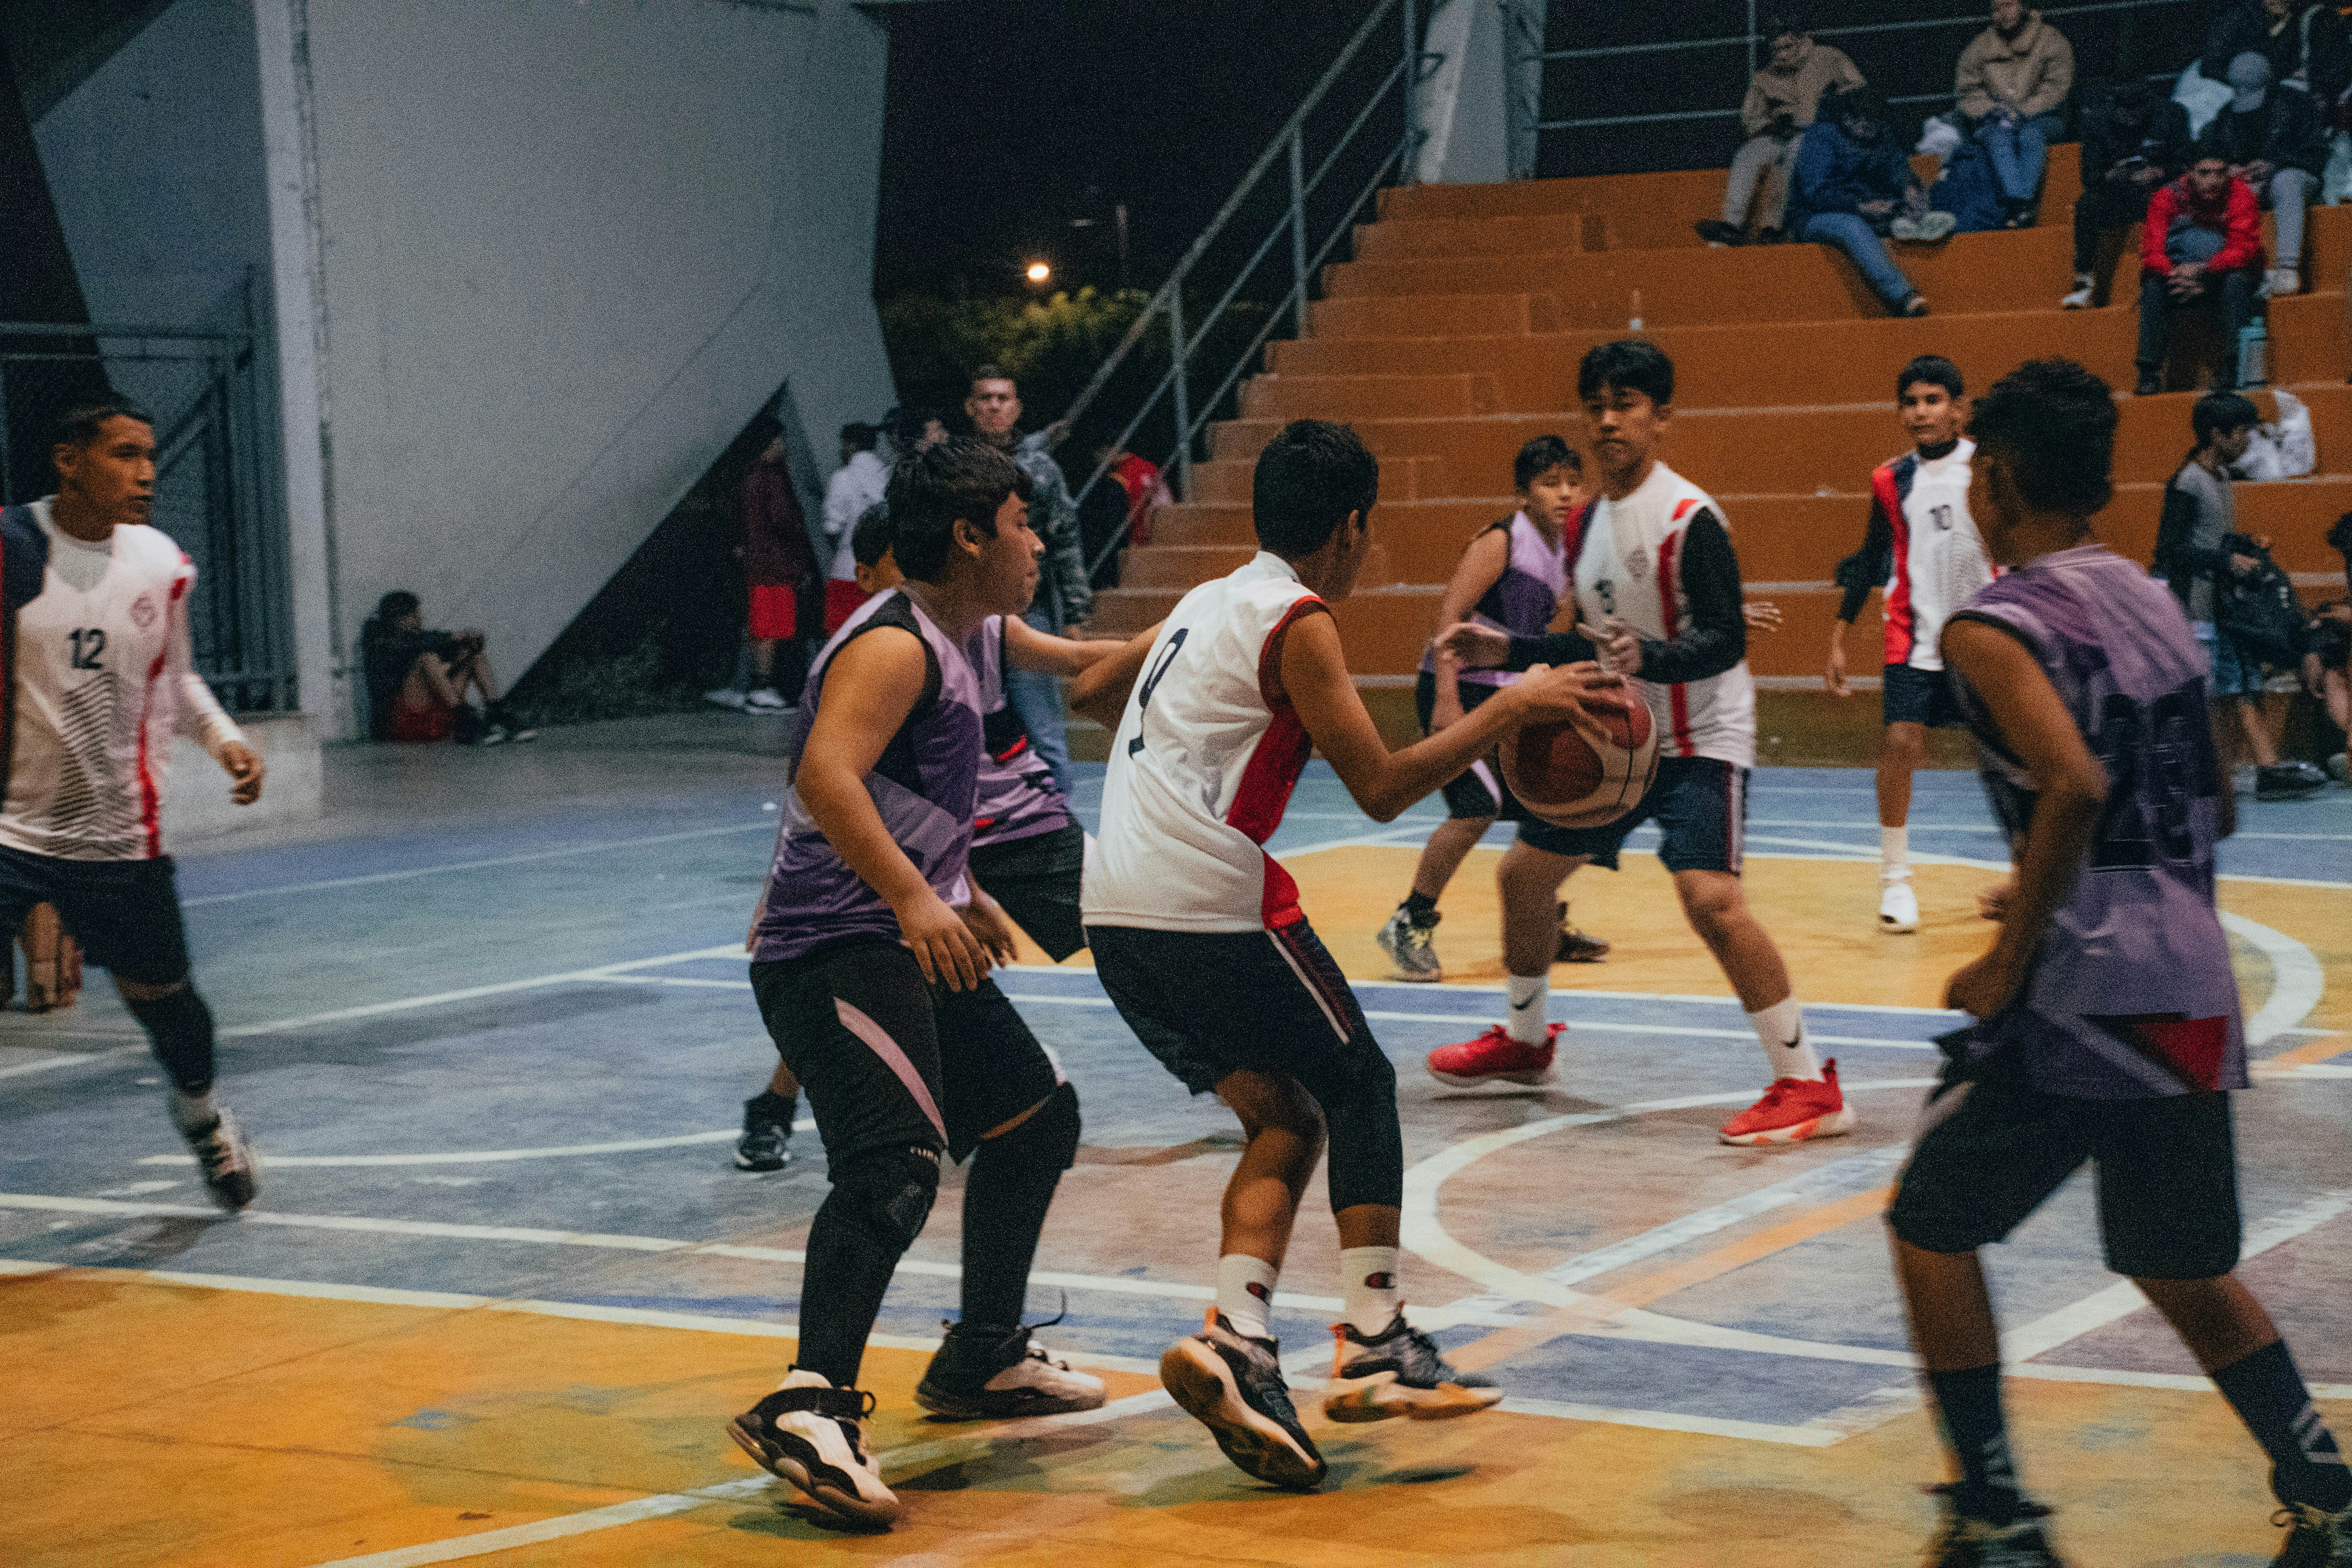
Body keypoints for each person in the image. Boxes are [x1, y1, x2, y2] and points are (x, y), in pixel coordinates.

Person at [1075, 420, 1615, 1491]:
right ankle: (1373, 1337)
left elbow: (1092, 693)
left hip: (1114, 914)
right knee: (1361, 1083)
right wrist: (1512, 707)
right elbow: (1379, 785)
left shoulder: (1206, 599)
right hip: (1204, 901)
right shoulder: (1297, 619)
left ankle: (1237, 1338)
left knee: (1285, 1116)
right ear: (1355, 524)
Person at [1884, 357, 2352, 1567]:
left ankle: (1993, 1513)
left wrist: (2008, 952)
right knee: (2177, 1260)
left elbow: (2079, 784)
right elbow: (2218, 809)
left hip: (2083, 994)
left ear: (1996, 479)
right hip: (2195, 977)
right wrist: (2088, 870)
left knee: (1930, 1223)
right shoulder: (2147, 597)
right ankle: (2327, 1491)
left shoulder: (1992, 628)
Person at [724, 438, 1112, 1530]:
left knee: (1035, 1118)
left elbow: (1058, 673)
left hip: (895, 934)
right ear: (970, 535)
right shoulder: (894, 644)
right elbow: (825, 776)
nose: (1039, 540)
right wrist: (914, 897)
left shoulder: (963, 634)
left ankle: (983, 1353)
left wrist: (953, 883)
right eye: (1024, 523)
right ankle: (809, 1404)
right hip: (830, 946)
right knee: (893, 1162)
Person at [1436, 340, 1857, 1148]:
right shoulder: (1585, 521)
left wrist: (1651, 658)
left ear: (1660, 418)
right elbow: (1584, 643)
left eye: (1624, 404)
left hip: (1699, 735)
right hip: (1615, 737)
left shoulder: (1690, 518)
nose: (1605, 420)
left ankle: (1807, 1082)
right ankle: (1525, 1044)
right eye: (1593, 404)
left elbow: (1727, 638)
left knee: (1711, 900)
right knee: (1524, 877)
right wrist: (1508, 652)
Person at [0, 400, 263, 1211]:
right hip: (9, 828)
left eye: (149, 455)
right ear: (68, 460)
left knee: (174, 1015)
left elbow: (176, 676)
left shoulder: (158, 562)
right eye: (123, 453)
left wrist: (222, 740)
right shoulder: (12, 548)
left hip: (118, 837)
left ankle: (203, 1118)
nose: (147, 471)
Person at [1374, 436, 1610, 984]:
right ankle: (1409, 922)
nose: (1565, 493)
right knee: (1476, 806)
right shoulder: (1501, 541)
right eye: (1550, 483)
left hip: (1505, 694)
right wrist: (1450, 699)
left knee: (1552, 803)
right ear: (1524, 492)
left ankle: (1545, 922)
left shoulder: (1566, 555)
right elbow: (1450, 614)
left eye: (1573, 482)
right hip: (1456, 686)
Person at [736, 505, 906, 1175]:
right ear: (866, 575)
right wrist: (775, 887)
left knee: (926, 977)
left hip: (941, 841)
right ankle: (777, 1105)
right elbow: (810, 779)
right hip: (860, 849)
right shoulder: (865, 651)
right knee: (843, 985)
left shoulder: (957, 634)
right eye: (897, 562)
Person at [1827, 356, 1995, 935]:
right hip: (1912, 630)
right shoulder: (1889, 479)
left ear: (1958, 408)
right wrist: (1840, 636)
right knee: (1900, 742)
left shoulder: (1988, 466)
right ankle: (1895, 880)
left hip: (1986, 632)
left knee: (2011, 753)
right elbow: (1871, 555)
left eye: (1933, 400)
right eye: (1911, 402)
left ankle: (2029, 872)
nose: (1921, 411)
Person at [2153, 392, 2330, 800]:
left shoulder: (2220, 477)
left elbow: (2211, 536)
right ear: (2217, 435)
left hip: (2225, 601)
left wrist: (2244, 544)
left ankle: (2267, 770)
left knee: (2243, 681)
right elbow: (2170, 549)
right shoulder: (2188, 481)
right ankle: (2204, 769)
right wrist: (2227, 561)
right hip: (2197, 605)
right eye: (2242, 434)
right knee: (2218, 692)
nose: (2247, 443)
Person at [967, 366, 1090, 793]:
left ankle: (1061, 831)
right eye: (986, 398)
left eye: (1004, 398)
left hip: (1028, 612)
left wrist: (1076, 613)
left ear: (1017, 408)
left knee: (1044, 730)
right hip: (966, 616)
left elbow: (1066, 540)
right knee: (968, 733)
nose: (995, 406)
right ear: (971, 407)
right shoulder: (956, 468)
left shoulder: (1042, 469)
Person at [1694, 12, 1864, 248]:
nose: (1782, 54)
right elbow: (1749, 118)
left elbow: (1860, 93)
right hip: (1779, 134)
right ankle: (1732, 226)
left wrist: (1832, 107)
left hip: (1822, 134)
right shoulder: (1764, 78)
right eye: (1776, 49)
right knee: (1748, 154)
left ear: (1803, 39)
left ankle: (1773, 228)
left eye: (1788, 46)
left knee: (1793, 156)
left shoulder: (1829, 58)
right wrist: (1770, 126)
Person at [1788, 86, 1940, 318]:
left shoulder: (1881, 134)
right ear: (1847, 117)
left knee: (1930, 200)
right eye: (1860, 121)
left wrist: (1909, 187)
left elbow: (1896, 166)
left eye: (1872, 122)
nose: (1866, 128)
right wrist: (1859, 207)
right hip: (1817, 215)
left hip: (1869, 206)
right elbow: (1816, 193)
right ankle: (1902, 295)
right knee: (1852, 227)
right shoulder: (1821, 137)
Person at [2200, 52, 2330, 299]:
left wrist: (2274, 164)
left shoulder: (2296, 104)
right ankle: (2239, 276)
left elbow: (2316, 153)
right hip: (2253, 184)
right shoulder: (2228, 115)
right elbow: (2212, 155)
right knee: (2222, 189)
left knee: (2286, 181)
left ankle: (2287, 267)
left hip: (2296, 177)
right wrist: (2229, 170)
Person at [2134, 155, 2263, 397]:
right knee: (2152, 283)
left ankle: (2233, 369)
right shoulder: (2167, 196)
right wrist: (2176, 274)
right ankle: (2148, 372)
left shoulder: (2241, 193)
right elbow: (2152, 250)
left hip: (2224, 272)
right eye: (2204, 173)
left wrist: (2204, 270)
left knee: (2235, 283)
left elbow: (2245, 247)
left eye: (2220, 172)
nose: (2213, 181)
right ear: (2189, 173)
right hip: (2179, 274)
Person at [2061, 81, 2195, 308]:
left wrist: (2158, 172)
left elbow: (2186, 163)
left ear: (2149, 103)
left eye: (2136, 109)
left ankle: (2168, 278)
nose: (2131, 115)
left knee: (2171, 199)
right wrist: (2116, 174)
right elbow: (2091, 178)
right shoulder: (2098, 121)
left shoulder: (2172, 115)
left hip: (2160, 188)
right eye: (2124, 109)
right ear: (2114, 106)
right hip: (2118, 193)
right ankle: (2084, 279)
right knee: (2087, 205)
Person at [1954, 0, 2074, 226]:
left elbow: (2057, 86)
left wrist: (2022, 111)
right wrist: (1993, 110)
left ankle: (2020, 203)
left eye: (2008, 5)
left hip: (2044, 117)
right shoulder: (1979, 47)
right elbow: (1968, 92)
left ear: (2024, 6)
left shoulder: (2051, 40)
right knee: (1999, 135)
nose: (2003, 13)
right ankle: (2021, 205)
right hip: (1995, 120)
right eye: (1997, 9)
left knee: (2031, 134)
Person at [359, 592, 531, 745]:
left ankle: (494, 713)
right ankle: (467, 719)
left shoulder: (419, 637)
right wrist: (455, 637)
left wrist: (468, 643)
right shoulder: (379, 639)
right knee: (428, 659)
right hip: (404, 721)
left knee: (472, 653)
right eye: (416, 615)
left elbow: (435, 650)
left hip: (440, 716)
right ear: (403, 618)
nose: (419, 619)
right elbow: (410, 644)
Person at [727, 429, 817, 714]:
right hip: (776, 563)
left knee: (760, 628)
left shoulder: (747, 478)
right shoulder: (772, 479)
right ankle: (762, 690)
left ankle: (755, 687)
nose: (782, 448)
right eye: (778, 442)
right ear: (767, 446)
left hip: (757, 563)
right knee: (772, 627)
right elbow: (784, 521)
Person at [2202, 0, 2352, 112]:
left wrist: (2312, 77)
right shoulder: (2239, 15)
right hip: (2230, 85)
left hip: (2284, 94)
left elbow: (2334, 64)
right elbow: (2212, 63)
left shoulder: (2312, 19)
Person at [823, 422, 887, 562]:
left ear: (851, 446)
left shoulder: (842, 478)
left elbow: (832, 528)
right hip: (891, 560)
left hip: (854, 564)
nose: (841, 452)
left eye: (843, 446)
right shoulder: (887, 473)